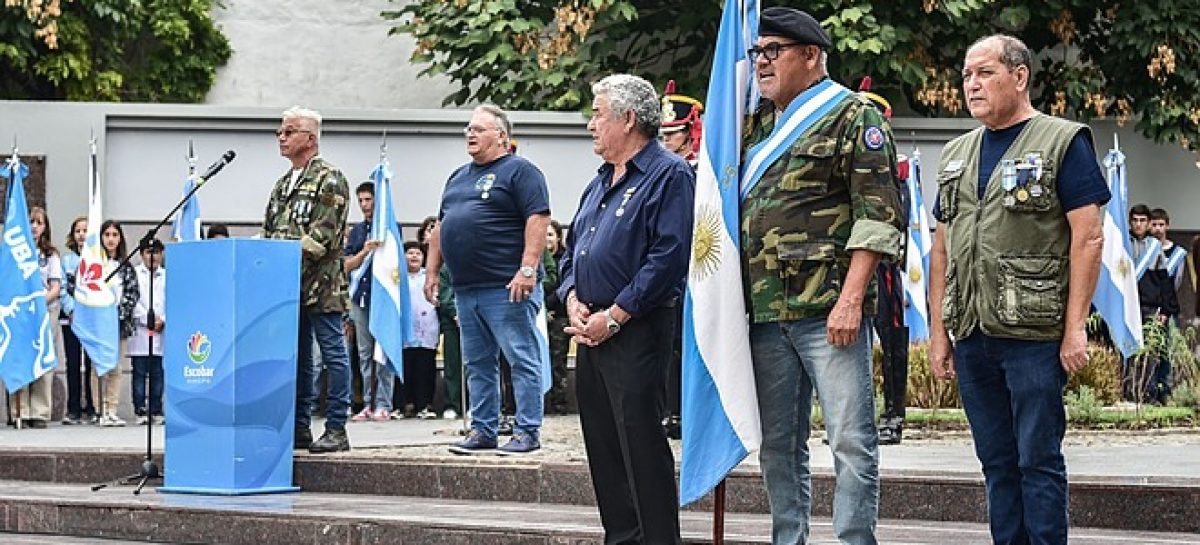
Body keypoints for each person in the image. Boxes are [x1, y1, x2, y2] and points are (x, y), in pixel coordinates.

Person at [929, 34, 1109, 545]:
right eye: (966, 75)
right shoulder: (957, 153)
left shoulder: (1062, 140)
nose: (971, 84)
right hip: (972, 333)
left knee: (1038, 460)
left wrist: (1075, 328)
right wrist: (940, 332)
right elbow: (941, 247)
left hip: (1034, 335)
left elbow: (1088, 235)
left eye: (984, 73)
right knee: (997, 463)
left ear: (1020, 76)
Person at [741, 8, 905, 544]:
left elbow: (877, 216)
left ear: (811, 55)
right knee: (779, 447)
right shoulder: (754, 122)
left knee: (851, 442)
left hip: (828, 309)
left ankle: (855, 540)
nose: (760, 64)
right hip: (765, 312)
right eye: (756, 53)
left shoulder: (853, 116)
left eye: (773, 52)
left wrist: (852, 300)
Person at [558, 73, 693, 544]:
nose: (591, 124)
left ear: (628, 118)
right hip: (590, 331)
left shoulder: (669, 174)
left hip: (635, 331)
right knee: (604, 449)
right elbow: (570, 251)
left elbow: (668, 257)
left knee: (640, 446)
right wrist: (572, 297)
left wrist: (615, 316)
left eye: (597, 113)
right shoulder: (598, 182)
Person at [424, 104, 551, 455]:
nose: (470, 133)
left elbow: (538, 218)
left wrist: (527, 268)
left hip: (506, 285)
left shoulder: (520, 171)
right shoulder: (457, 177)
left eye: (479, 129)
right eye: (468, 128)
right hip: (466, 288)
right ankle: (483, 429)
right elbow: (441, 227)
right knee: (477, 362)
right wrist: (433, 271)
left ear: (502, 136)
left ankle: (527, 430)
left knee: (520, 357)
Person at [262, 106, 353, 453]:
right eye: (279, 133)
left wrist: (279, 259)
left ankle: (336, 428)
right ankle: (299, 428)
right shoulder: (283, 183)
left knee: (333, 355)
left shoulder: (329, 178)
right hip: (287, 287)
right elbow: (271, 230)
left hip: (322, 285)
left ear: (310, 138)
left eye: (288, 132)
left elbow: (323, 237)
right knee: (297, 358)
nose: (281, 138)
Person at [658, 80, 704, 440]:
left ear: (691, 131)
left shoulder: (703, 169)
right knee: (670, 342)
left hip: (700, 266)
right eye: (664, 133)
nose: (667, 140)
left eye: (674, 133)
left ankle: (689, 412)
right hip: (672, 267)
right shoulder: (662, 168)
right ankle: (670, 410)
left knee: (693, 342)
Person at [344, 181, 394, 422]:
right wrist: (364, 252)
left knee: (383, 350)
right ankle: (367, 402)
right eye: (361, 200)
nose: (364, 205)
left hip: (383, 298)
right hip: (361, 298)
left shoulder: (389, 229)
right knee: (364, 354)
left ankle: (384, 402)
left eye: (369, 199)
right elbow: (346, 265)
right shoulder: (356, 232)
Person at [12, 207, 64, 428]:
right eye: (30, 221)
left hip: (45, 309)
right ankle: (19, 410)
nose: (34, 226)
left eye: (39, 222)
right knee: (21, 356)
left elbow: (55, 286)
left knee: (43, 358)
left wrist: (39, 302)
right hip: (21, 310)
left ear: (45, 227)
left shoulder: (51, 255)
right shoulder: (13, 252)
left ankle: (39, 411)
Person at [99, 220, 140, 427]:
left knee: (116, 368)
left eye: (115, 235)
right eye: (107, 234)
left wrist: (118, 313)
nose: (111, 239)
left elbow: (133, 293)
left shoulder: (126, 265)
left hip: (119, 323)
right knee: (99, 367)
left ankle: (112, 409)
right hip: (99, 324)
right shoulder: (95, 265)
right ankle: (100, 409)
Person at [60, 216, 97, 425]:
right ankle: (73, 408)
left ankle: (91, 407)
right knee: (73, 363)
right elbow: (63, 288)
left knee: (90, 363)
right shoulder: (67, 260)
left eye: (85, 230)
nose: (82, 235)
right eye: (78, 231)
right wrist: (71, 309)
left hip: (92, 319)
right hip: (71, 319)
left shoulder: (96, 258)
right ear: (73, 236)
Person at [129, 238, 166, 425]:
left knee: (158, 374)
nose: (153, 256)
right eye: (149, 252)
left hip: (160, 330)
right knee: (139, 373)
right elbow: (132, 301)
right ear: (141, 254)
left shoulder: (167, 276)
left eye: (157, 252)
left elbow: (173, 300)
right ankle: (140, 409)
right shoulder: (134, 274)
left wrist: (163, 319)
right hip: (141, 330)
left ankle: (156, 409)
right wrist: (146, 319)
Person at [402, 241, 440, 418]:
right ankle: (403, 404)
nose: (414, 256)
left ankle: (424, 405)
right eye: (410, 253)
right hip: (405, 330)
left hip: (427, 327)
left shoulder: (430, 276)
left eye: (418, 253)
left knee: (425, 367)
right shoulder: (399, 277)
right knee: (405, 367)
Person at [543, 219, 571, 415]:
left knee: (557, 360)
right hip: (539, 314)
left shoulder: (564, 259)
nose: (547, 239)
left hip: (558, 315)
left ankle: (558, 401)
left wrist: (550, 307)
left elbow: (563, 287)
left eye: (550, 234)